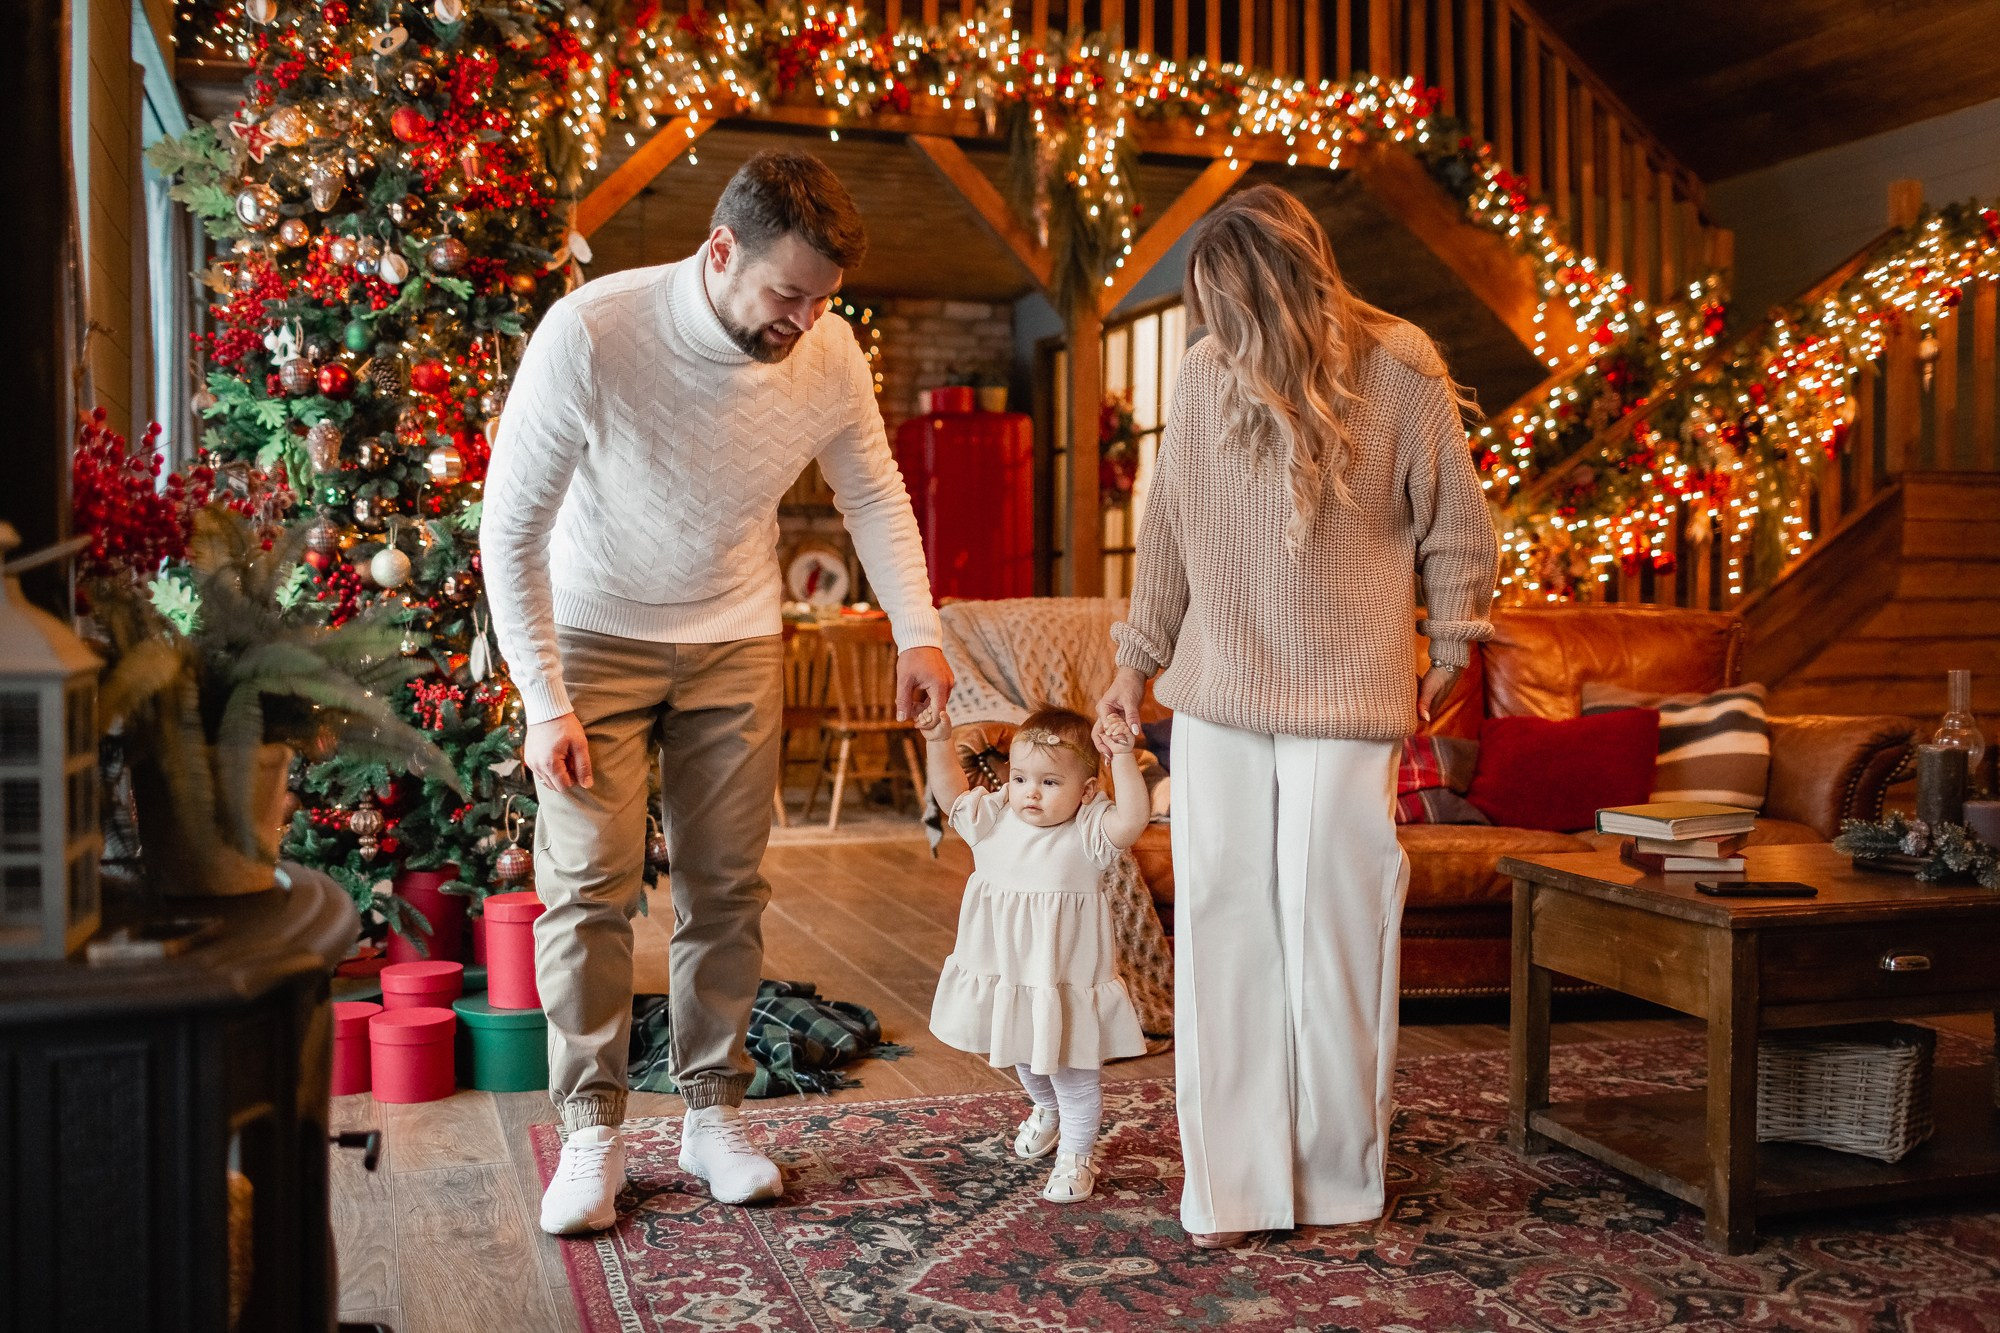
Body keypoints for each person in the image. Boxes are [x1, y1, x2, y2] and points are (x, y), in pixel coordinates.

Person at [482, 150, 954, 1235]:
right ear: (720, 250)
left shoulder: (826, 351)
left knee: (725, 891)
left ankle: (710, 1115)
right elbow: (508, 529)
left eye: (823, 298)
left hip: (736, 636)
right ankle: (593, 1131)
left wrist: (916, 632)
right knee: (589, 889)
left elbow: (871, 491)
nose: (804, 319)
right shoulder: (593, 332)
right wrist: (542, 696)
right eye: (788, 293)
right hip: (592, 634)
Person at [1096, 185, 1498, 1248]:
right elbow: (1167, 538)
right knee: (1224, 926)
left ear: (1284, 282)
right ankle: (1232, 1186)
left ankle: (1334, 1178)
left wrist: (1452, 642)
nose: (1215, 328)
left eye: (1231, 304)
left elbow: (1456, 520)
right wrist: (1131, 665)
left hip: (1345, 698)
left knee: (1334, 932)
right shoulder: (1197, 376)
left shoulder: (1398, 364)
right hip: (1218, 696)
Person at [919, 705, 1151, 1203]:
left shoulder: (1090, 832)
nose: (1030, 792)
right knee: (1023, 1053)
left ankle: (1076, 1154)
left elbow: (1134, 817)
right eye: (1021, 777)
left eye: (1050, 783)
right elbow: (949, 794)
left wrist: (1126, 757)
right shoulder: (994, 816)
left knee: (1074, 1071)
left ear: (1086, 790)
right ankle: (1044, 1110)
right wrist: (939, 742)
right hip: (1011, 973)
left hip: (1064, 978)